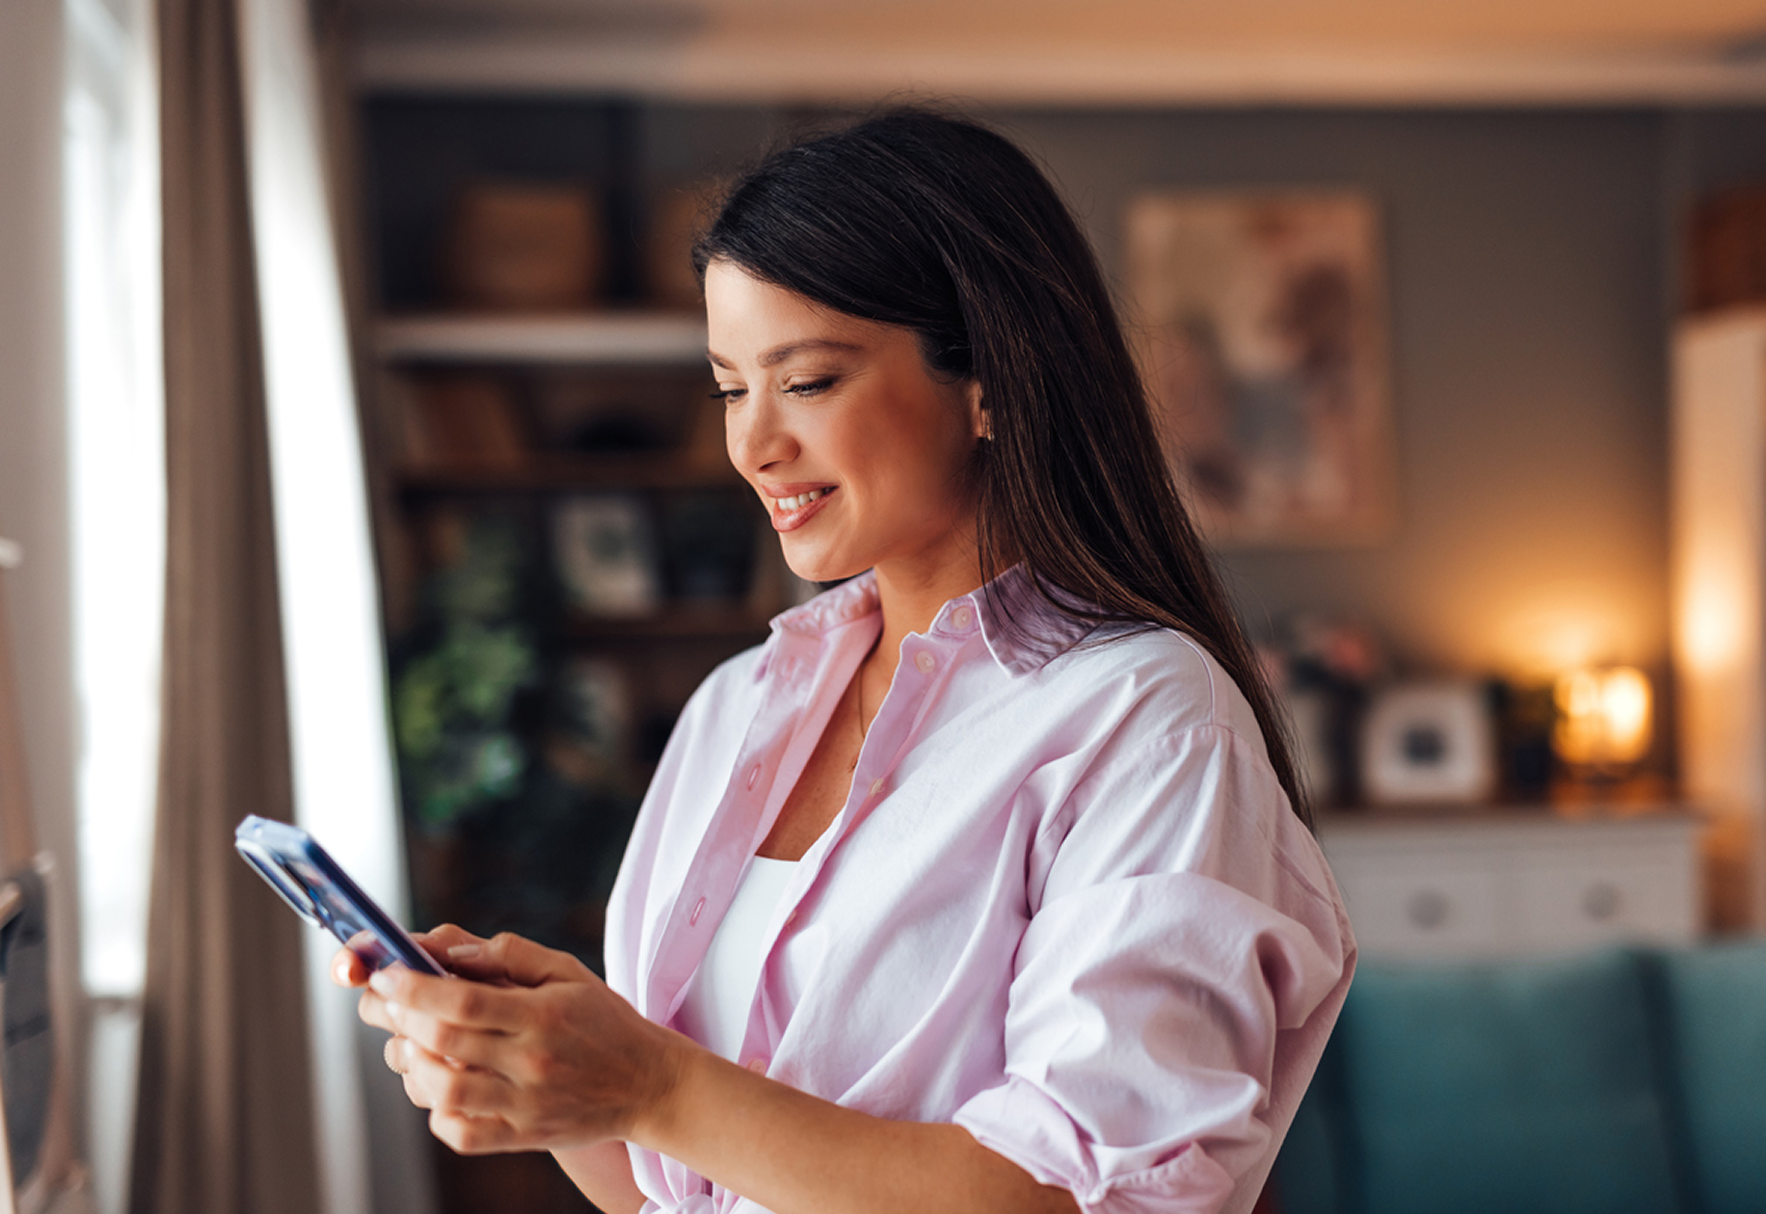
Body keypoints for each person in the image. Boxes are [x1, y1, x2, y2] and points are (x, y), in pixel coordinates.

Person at [336, 107, 1355, 1214]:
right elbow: (674, 1193)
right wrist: (557, 1073)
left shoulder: (1143, 718)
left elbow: (1077, 1198)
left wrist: (650, 1083)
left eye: (808, 381)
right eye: (731, 387)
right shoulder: (736, 706)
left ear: (990, 382)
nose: (752, 443)